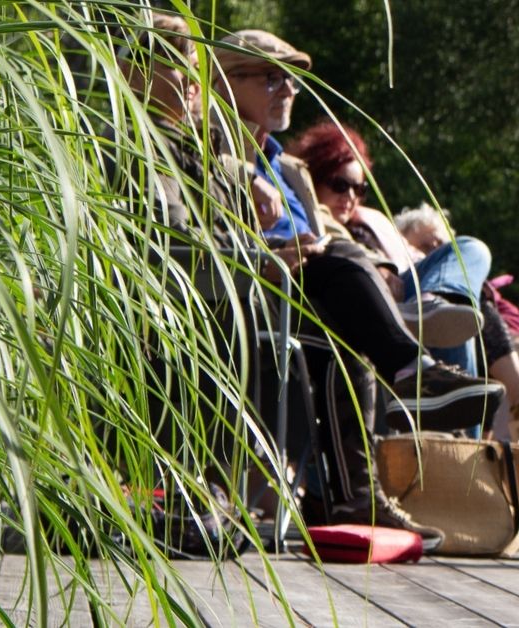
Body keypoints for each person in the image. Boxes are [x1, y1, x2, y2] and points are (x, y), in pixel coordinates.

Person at [209, 29, 503, 532]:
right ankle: (412, 366)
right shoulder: (209, 155)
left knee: (458, 253)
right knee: (346, 274)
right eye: (272, 78)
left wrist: (377, 266)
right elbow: (207, 238)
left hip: (327, 288)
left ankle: (358, 493)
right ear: (226, 83)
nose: (289, 90)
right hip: (265, 288)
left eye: (293, 81)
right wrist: (272, 253)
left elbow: (328, 232)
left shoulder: (290, 169)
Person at [285, 121, 519, 440]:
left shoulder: (369, 222)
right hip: (369, 302)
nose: (350, 196)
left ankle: (435, 304)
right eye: (340, 184)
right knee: (465, 301)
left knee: (472, 258)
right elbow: (332, 255)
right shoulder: (308, 215)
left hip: (408, 300)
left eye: (360, 189)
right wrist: (380, 266)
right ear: (315, 177)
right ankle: (499, 420)